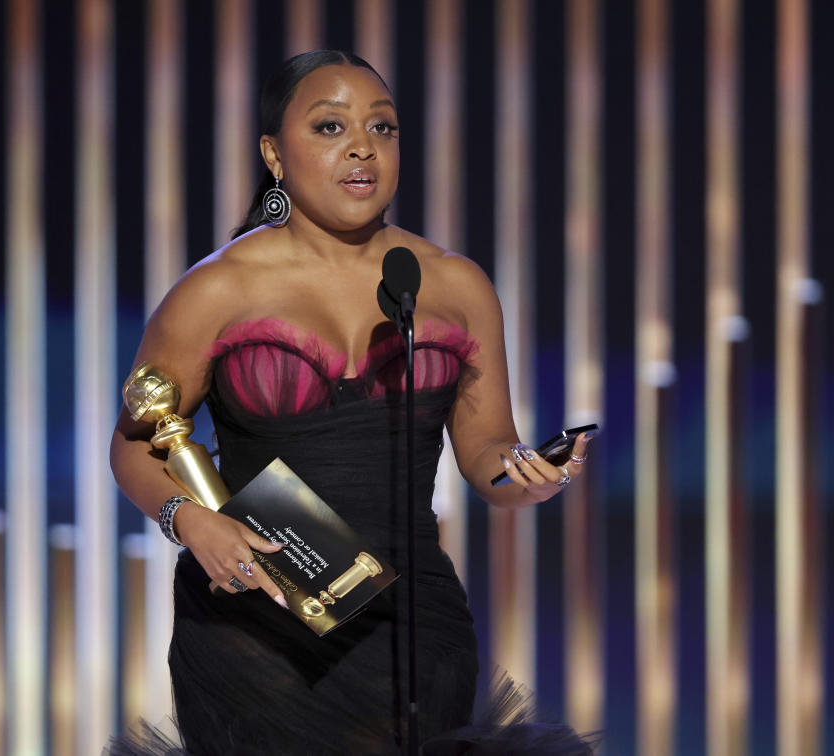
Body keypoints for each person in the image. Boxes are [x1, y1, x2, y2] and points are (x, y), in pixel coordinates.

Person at [109, 50, 594, 755]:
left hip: (411, 624)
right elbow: (134, 444)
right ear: (274, 153)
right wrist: (190, 522)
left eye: (384, 128)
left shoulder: (454, 285)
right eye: (331, 127)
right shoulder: (214, 291)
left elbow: (489, 457)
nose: (363, 146)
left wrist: (527, 475)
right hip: (259, 620)